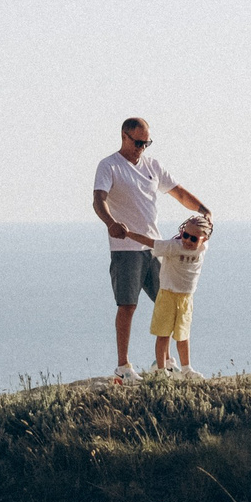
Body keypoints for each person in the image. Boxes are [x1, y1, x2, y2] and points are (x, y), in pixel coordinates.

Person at [93, 118, 211, 382]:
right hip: (125, 248)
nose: (142, 148)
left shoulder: (152, 165)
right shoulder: (109, 165)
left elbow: (178, 192)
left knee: (166, 301)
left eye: (146, 143)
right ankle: (123, 366)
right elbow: (98, 199)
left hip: (155, 248)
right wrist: (111, 223)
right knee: (128, 305)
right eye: (137, 142)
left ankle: (167, 363)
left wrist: (202, 210)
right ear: (124, 136)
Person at [150, 213, 212, 374]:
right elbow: (151, 243)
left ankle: (186, 368)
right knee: (163, 334)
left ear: (203, 239)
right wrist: (127, 234)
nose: (187, 241)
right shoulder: (173, 246)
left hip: (186, 297)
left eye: (193, 238)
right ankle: (161, 369)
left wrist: (207, 216)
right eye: (185, 235)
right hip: (167, 295)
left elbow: (207, 229)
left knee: (183, 335)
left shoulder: (203, 248)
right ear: (181, 232)